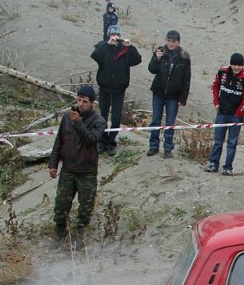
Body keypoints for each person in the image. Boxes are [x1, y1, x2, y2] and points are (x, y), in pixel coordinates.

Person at [48, 85, 106, 249]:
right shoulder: (67, 118)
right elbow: (59, 141)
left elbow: (92, 140)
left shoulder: (98, 121)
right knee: (61, 205)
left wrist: (79, 123)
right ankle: (60, 233)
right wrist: (53, 164)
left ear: (92, 103)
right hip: (68, 169)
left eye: (85, 101)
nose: (80, 104)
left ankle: (79, 234)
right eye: (79, 100)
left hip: (86, 171)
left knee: (85, 207)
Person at [90, 24, 141, 156]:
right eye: (113, 35)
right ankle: (101, 141)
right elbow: (95, 56)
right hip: (105, 87)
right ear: (108, 35)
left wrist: (131, 47)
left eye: (117, 35)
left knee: (116, 117)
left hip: (119, 88)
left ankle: (111, 141)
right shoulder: (103, 46)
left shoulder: (125, 50)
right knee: (102, 115)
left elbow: (137, 60)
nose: (115, 37)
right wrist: (108, 44)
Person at [205, 53, 244, 176]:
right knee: (218, 140)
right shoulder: (222, 72)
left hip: (235, 116)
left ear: (242, 66)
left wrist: (239, 114)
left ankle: (228, 167)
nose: (236, 67)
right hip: (221, 113)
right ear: (231, 64)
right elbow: (215, 87)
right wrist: (216, 103)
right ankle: (213, 163)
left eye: (239, 65)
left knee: (232, 143)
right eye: (234, 64)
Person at [146, 30, 191, 158]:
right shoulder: (160, 51)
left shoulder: (184, 56)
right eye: (169, 41)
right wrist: (157, 58)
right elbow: (152, 69)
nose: (171, 44)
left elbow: (186, 79)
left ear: (178, 42)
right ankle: (153, 146)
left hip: (174, 95)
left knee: (170, 122)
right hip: (158, 92)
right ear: (166, 40)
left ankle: (168, 148)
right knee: (155, 120)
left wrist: (183, 98)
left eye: (174, 41)